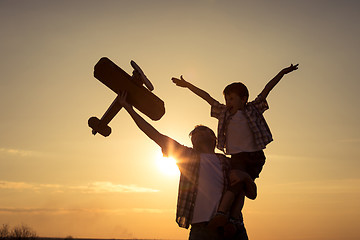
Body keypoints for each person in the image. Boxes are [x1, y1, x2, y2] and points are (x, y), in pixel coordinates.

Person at [171, 64, 299, 234]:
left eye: (231, 99)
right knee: (235, 185)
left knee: (241, 187)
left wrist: (282, 73)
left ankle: (231, 216)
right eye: (226, 99)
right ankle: (226, 215)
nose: (227, 103)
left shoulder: (253, 109)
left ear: (243, 99)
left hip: (255, 157)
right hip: (237, 157)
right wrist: (188, 85)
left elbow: (267, 89)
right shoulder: (224, 113)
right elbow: (207, 97)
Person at [117, 91, 256, 240]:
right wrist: (129, 109)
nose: (197, 133)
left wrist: (246, 177)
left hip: (231, 228)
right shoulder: (187, 157)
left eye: (202, 130)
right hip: (202, 230)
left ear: (213, 138)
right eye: (194, 134)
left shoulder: (228, 162)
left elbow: (252, 194)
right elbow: (155, 134)